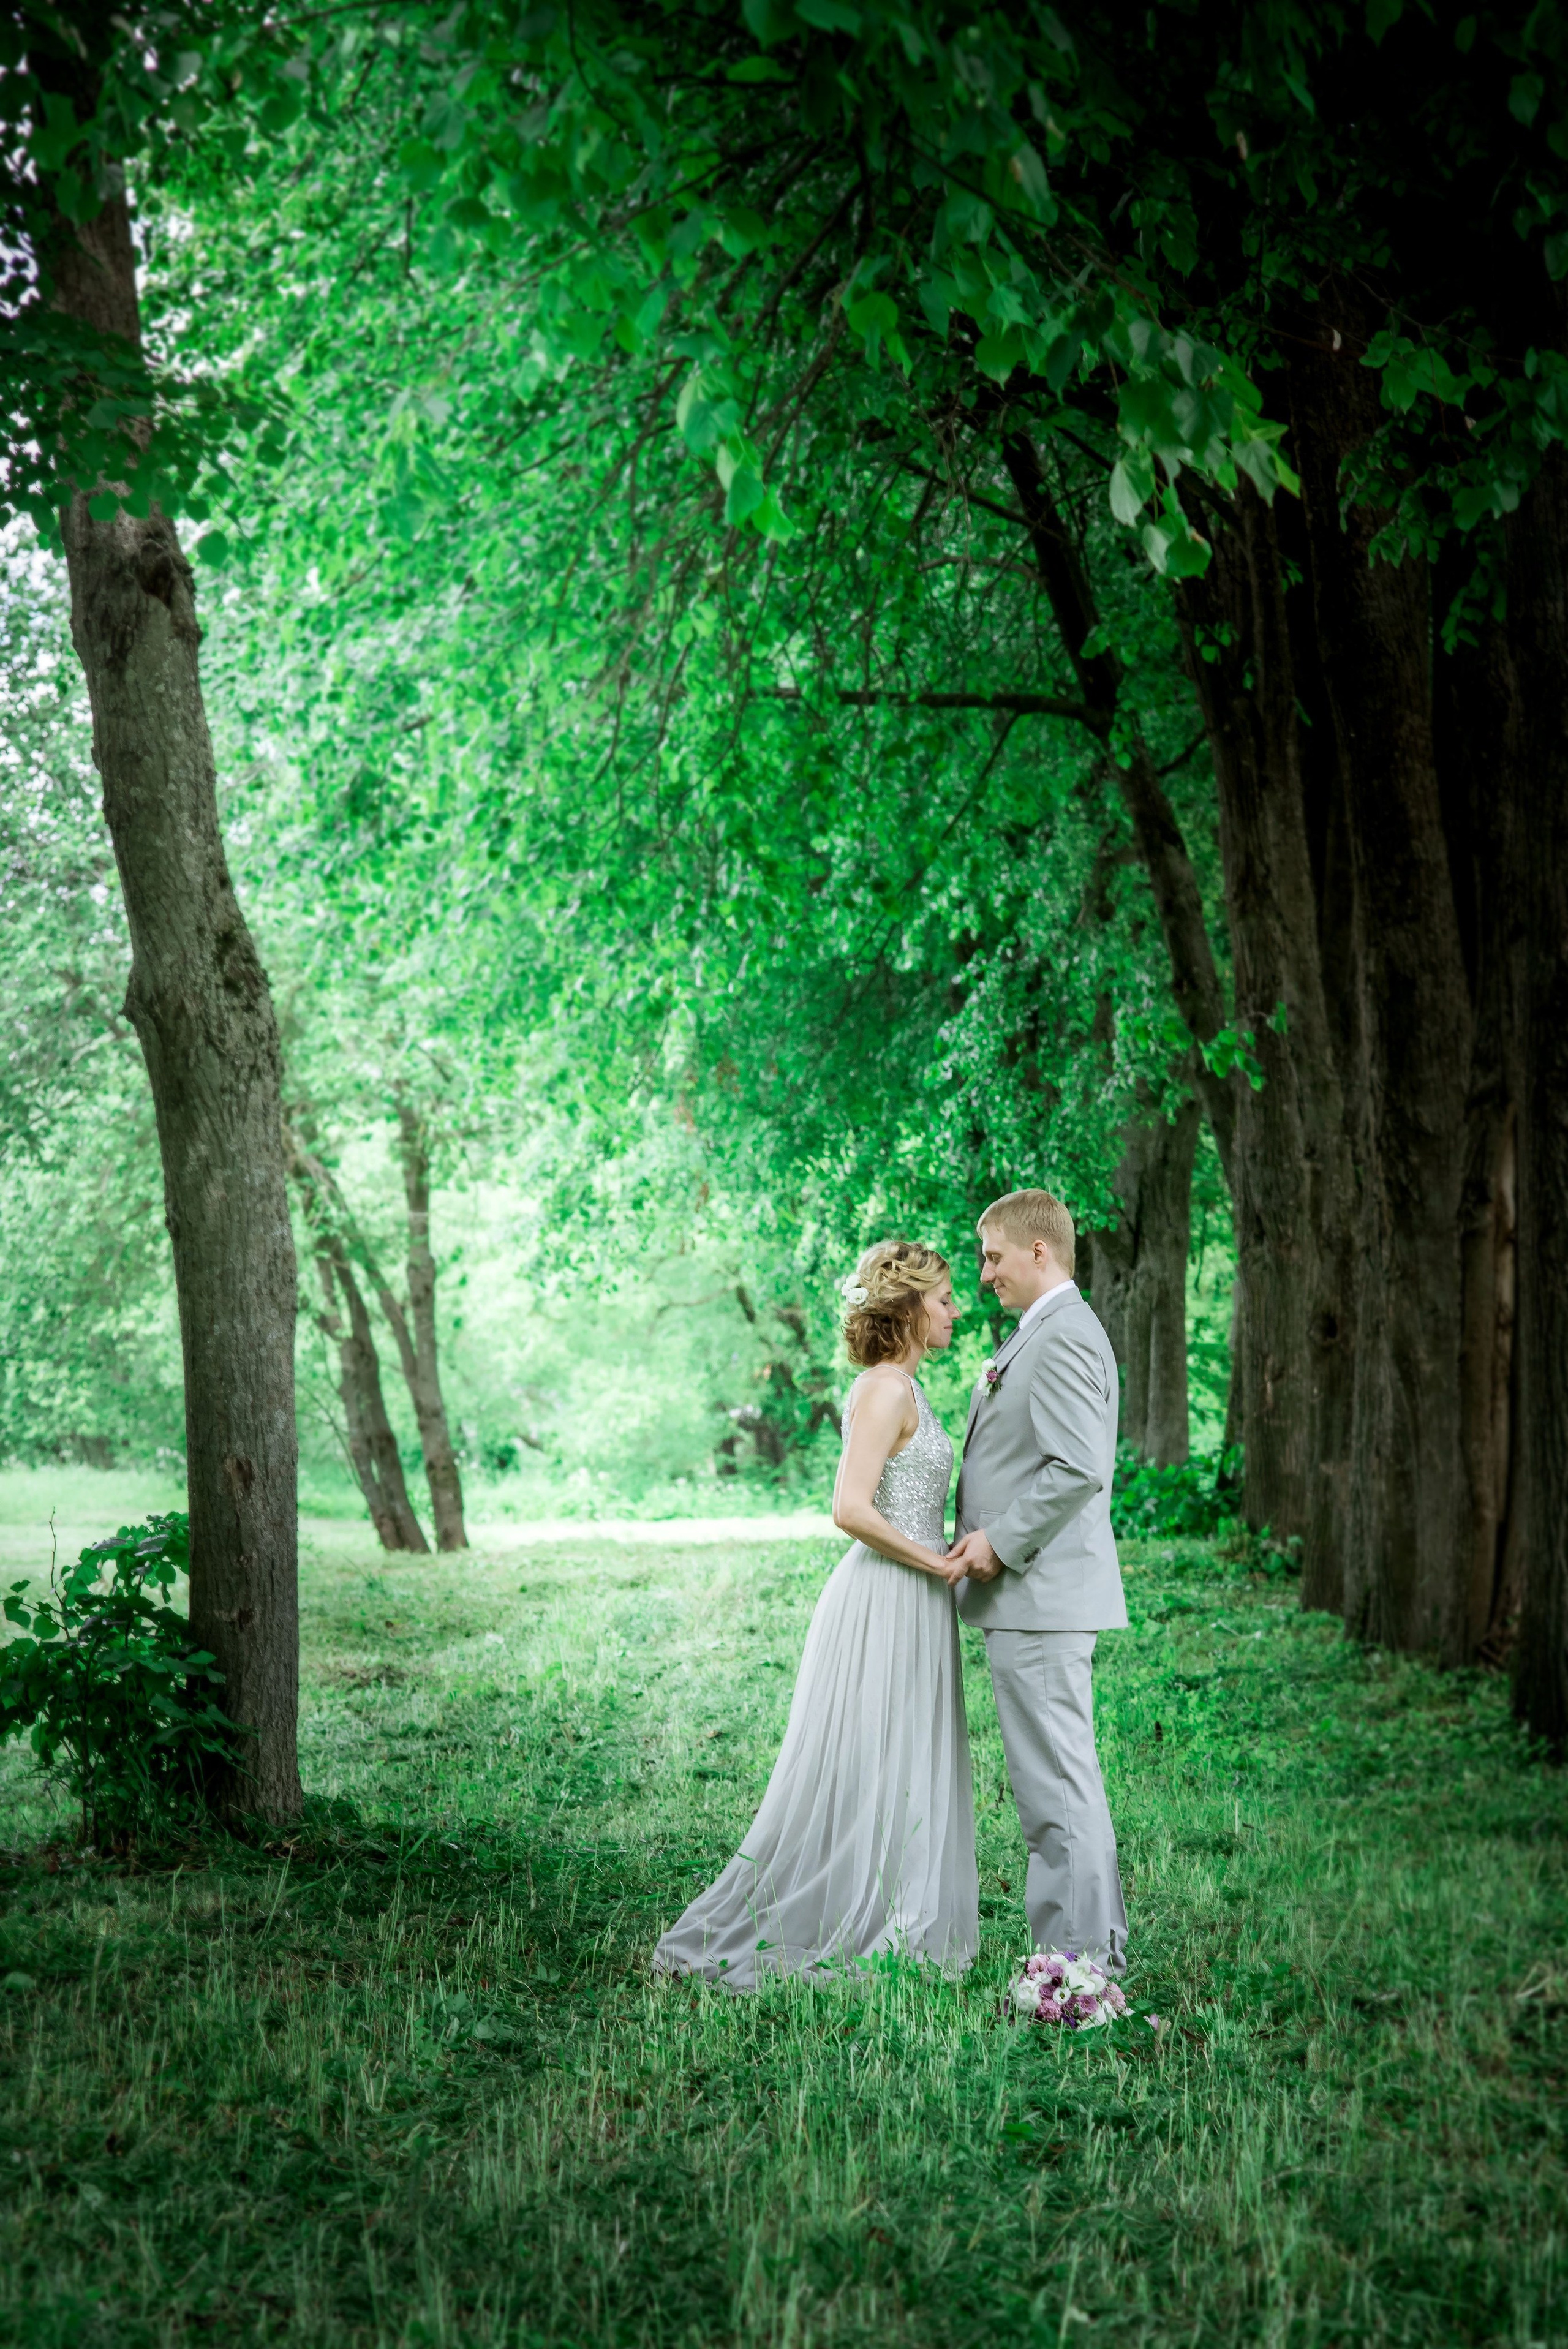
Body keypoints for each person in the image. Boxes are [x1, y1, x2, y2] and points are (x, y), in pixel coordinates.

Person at [652, 1240, 979, 1987]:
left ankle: (905, 1906)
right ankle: (860, 1913)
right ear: (908, 1307)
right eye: (945, 1299)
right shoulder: (886, 1389)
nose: (956, 1312)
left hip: (918, 1592)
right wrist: (935, 1562)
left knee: (907, 1754)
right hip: (887, 1594)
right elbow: (849, 1508)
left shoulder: (908, 1388)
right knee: (877, 1754)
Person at [947, 1187, 1129, 1973]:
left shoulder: (1061, 1336)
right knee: (1051, 1782)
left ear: (1037, 1251)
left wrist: (999, 1543)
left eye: (991, 1257)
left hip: (1041, 1594)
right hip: (1033, 1600)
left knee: (1056, 1787)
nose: (984, 1274)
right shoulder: (1044, 1332)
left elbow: (1078, 1466)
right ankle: (1081, 1953)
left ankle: (1078, 1968)